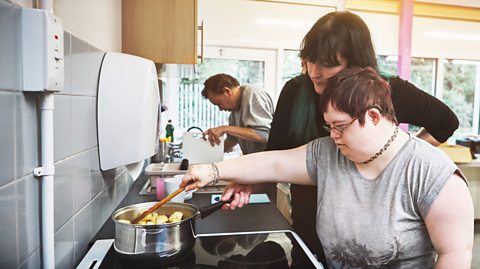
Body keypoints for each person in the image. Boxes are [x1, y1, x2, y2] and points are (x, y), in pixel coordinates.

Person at [224, 11, 460, 263]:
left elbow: (445, 123)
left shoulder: (389, 91)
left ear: (356, 62)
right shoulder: (295, 92)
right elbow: (275, 158)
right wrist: (250, 182)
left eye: (328, 63)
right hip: (308, 229)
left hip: (376, 238)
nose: (315, 72)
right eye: (310, 60)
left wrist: (397, 161)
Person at [181, 67, 473, 268]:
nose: (332, 135)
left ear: (373, 117)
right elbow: (275, 161)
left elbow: (455, 256)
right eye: (328, 126)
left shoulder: (434, 175)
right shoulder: (329, 153)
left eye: (340, 126)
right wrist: (212, 171)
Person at [201, 73, 274, 155]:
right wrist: (208, 154)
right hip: (255, 161)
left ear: (227, 91)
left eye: (219, 103)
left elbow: (264, 134)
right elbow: (232, 140)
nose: (220, 109)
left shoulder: (252, 95)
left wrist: (225, 128)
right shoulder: (234, 110)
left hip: (269, 162)